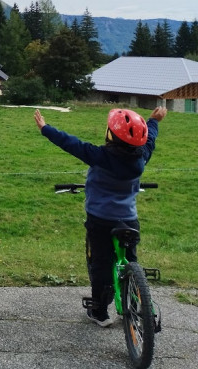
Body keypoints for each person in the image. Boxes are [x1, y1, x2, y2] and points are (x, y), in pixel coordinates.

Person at [34, 106, 167, 327]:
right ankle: (136, 303)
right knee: (130, 259)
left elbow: (71, 144)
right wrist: (154, 121)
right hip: (129, 220)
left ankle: (100, 312)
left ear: (111, 136)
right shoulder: (141, 158)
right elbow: (150, 139)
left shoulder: (100, 156)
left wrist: (45, 128)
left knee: (101, 265)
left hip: (101, 220)